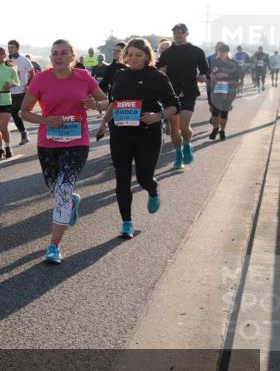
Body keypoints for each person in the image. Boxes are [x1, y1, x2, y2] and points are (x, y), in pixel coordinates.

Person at [19, 39, 108, 264]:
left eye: (63, 53)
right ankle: (70, 202)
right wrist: (46, 120)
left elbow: (106, 102)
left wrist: (95, 106)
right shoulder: (41, 78)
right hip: (48, 143)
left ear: (72, 56)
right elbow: (24, 112)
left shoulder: (83, 77)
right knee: (56, 191)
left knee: (63, 190)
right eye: (54, 53)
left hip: (77, 141)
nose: (58, 57)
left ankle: (53, 246)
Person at [95, 39, 179, 239]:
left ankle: (152, 188)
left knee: (143, 177)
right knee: (122, 178)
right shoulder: (120, 75)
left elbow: (174, 105)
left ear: (147, 56)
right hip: (121, 133)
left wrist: (158, 116)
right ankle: (127, 222)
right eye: (130, 55)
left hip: (148, 133)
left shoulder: (156, 76)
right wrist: (104, 122)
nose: (133, 59)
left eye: (138, 55)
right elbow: (114, 103)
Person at [156, 23, 208, 169]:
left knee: (184, 127)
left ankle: (187, 145)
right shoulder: (167, 53)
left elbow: (204, 69)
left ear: (187, 34)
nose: (178, 35)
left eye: (180, 32)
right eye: (175, 33)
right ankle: (178, 155)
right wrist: (160, 69)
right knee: (174, 128)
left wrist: (203, 75)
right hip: (171, 94)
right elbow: (157, 68)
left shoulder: (197, 51)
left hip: (189, 92)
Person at [208, 43, 241, 140]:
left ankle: (222, 131)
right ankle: (215, 128)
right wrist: (212, 76)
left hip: (229, 90)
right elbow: (210, 74)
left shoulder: (234, 64)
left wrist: (225, 76)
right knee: (214, 111)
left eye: (224, 51)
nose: (222, 53)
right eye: (220, 51)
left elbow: (236, 79)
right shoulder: (214, 62)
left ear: (227, 52)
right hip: (216, 90)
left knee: (224, 112)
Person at [7, 39, 35, 146]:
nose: (10, 50)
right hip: (9, 92)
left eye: (12, 48)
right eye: (8, 48)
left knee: (15, 112)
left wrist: (28, 85)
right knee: (13, 113)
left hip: (21, 91)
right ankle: (23, 133)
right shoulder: (7, 61)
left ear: (17, 48)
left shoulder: (24, 60)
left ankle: (24, 133)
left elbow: (32, 73)